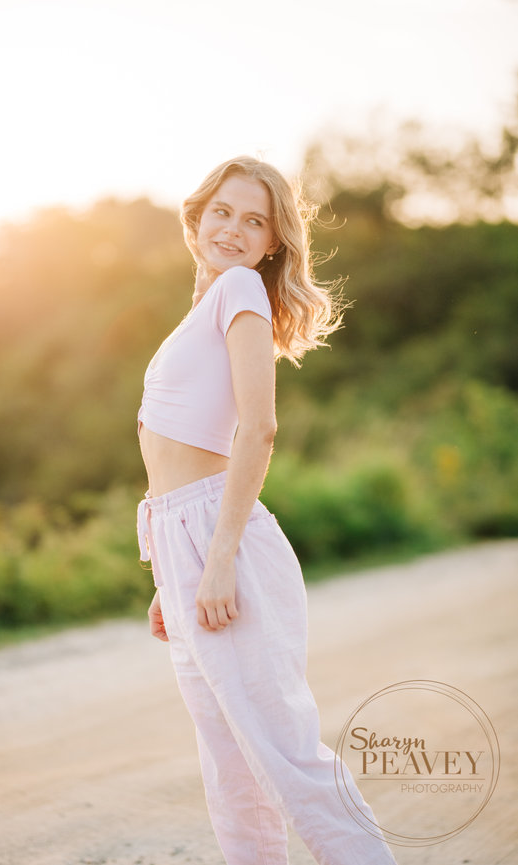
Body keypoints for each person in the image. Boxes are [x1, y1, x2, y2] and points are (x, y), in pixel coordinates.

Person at [136, 156, 398, 865]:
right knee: (230, 769)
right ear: (198, 213)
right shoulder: (208, 303)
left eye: (254, 221)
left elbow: (258, 430)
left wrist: (216, 560)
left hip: (220, 543)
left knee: (283, 755)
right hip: (181, 542)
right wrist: (171, 576)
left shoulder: (240, 292)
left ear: (272, 241)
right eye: (223, 211)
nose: (232, 229)